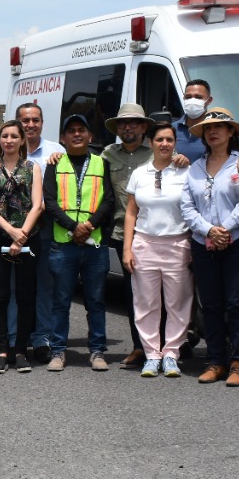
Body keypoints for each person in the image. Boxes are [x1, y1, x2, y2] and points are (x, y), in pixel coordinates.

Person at [180, 109, 239, 387]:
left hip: (237, 242)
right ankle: (215, 361)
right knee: (211, 305)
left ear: (231, 132)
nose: (213, 132)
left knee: (238, 304)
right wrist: (209, 230)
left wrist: (225, 228)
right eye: (208, 128)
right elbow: (186, 207)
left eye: (219, 127)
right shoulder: (195, 168)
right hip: (203, 243)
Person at [42, 113, 115, 372]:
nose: (76, 134)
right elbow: (49, 201)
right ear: (63, 138)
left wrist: (89, 225)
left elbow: (108, 200)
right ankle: (58, 351)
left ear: (90, 136)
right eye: (71, 130)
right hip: (63, 243)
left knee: (95, 301)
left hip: (94, 243)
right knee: (61, 301)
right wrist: (74, 227)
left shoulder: (101, 163)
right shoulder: (54, 164)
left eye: (81, 130)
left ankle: (97, 351)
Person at [122, 121, 192, 378]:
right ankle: (152, 355)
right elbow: (131, 212)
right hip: (145, 244)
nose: (165, 144)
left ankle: (171, 354)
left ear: (175, 144)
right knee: (146, 304)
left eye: (169, 140)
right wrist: (127, 249)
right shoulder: (139, 174)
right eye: (160, 139)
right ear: (150, 142)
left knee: (178, 304)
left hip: (178, 244)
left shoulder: (187, 172)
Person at [0, 120, 43, 374]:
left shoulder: (32, 167)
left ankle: (20, 351)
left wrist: (21, 236)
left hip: (28, 237)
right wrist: (10, 232)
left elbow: (37, 205)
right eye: (4, 136)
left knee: (25, 295)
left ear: (22, 140)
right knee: (0, 296)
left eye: (14, 136)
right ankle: (1, 351)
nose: (8, 140)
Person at [101, 103, 155, 369]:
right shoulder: (107, 154)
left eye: (134, 122)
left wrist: (182, 160)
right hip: (123, 233)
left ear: (143, 127)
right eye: (123, 123)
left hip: (156, 233)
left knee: (160, 293)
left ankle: (165, 346)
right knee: (134, 294)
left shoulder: (158, 152)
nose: (128, 127)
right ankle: (139, 347)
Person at [17, 103, 65, 363]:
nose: (30, 125)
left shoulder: (56, 151)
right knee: (17, 286)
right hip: (15, 230)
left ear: (42, 123)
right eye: (25, 120)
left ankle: (42, 339)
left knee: (45, 286)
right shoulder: (8, 149)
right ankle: (16, 338)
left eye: (35, 120)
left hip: (46, 229)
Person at [176, 80, 212, 163]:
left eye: (198, 97)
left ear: (209, 100)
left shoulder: (215, 130)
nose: (192, 101)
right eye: (188, 97)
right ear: (184, 98)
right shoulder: (171, 129)